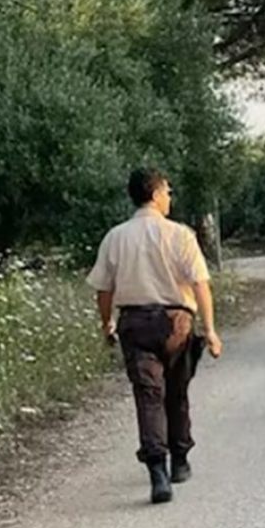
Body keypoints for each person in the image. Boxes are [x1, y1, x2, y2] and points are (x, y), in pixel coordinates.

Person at [87, 168, 223, 504]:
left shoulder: (115, 237)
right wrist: (210, 329)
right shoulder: (180, 235)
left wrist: (107, 324)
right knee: (176, 392)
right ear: (156, 193)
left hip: (134, 323)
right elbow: (200, 285)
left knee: (148, 396)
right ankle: (180, 459)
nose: (170, 198)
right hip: (177, 321)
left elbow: (104, 289)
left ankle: (157, 470)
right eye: (168, 192)